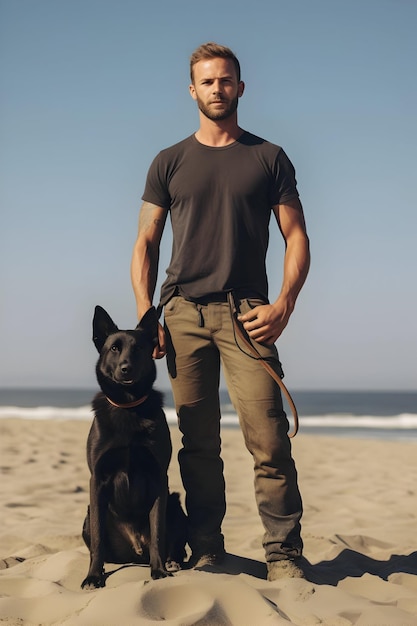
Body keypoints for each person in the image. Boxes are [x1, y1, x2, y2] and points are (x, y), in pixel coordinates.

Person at [131, 42, 310, 581]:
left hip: (247, 315)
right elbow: (146, 241)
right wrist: (148, 317)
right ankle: (208, 547)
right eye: (207, 82)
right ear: (193, 90)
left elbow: (296, 234)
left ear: (240, 87)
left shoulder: (268, 157)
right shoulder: (169, 161)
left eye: (226, 80)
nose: (217, 89)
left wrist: (284, 305)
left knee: (269, 437)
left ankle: (284, 556)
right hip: (181, 315)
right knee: (198, 444)